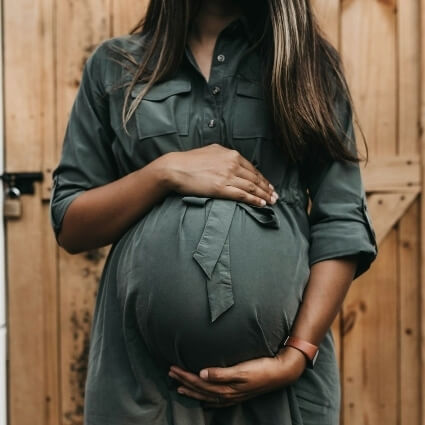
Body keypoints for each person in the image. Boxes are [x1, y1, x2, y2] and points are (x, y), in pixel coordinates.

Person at [49, 0, 378, 424]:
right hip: (143, 387)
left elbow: (343, 220)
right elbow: (71, 225)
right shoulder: (114, 66)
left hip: (281, 389)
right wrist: (163, 173)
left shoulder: (307, 64)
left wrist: (297, 354)